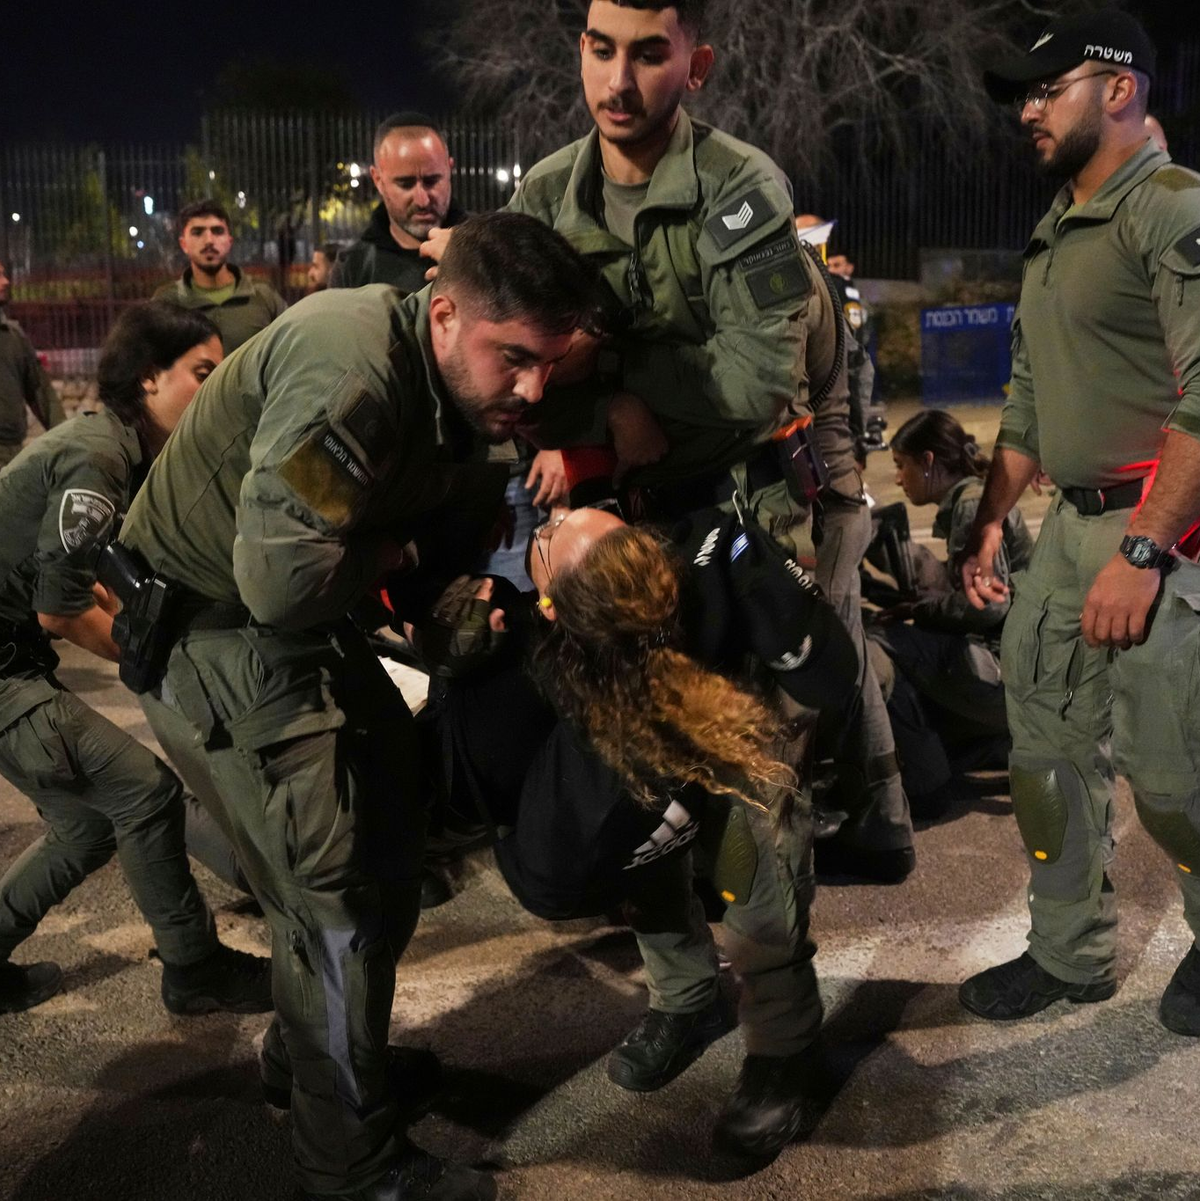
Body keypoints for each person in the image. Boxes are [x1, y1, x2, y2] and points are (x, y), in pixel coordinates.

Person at [120, 212, 601, 1201]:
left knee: (387, 838)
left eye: (549, 364)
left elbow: (426, 557)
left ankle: (320, 1065)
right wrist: (403, 558)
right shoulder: (352, 373)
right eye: (512, 357)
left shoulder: (467, 399)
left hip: (296, 630)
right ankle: (350, 1162)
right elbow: (283, 583)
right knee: (332, 896)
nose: (533, 388)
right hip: (226, 636)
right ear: (442, 315)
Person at [423, 0, 915, 884]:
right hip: (631, 507)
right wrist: (613, 404)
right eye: (602, 51)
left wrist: (613, 375)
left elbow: (759, 381)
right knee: (642, 723)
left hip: (748, 504)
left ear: (697, 65)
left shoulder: (741, 187)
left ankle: (780, 982)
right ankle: (704, 941)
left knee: (758, 750)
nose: (619, 82)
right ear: (579, 52)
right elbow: (531, 393)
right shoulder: (546, 195)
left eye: (650, 55)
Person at [423, 504, 857, 1160]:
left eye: (565, 525)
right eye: (550, 533)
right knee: (646, 837)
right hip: (650, 712)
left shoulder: (707, 558)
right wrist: (456, 637)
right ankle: (687, 999)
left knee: (756, 869)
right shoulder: (578, 640)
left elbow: (830, 676)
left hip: (746, 713)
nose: (551, 517)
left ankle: (785, 1055)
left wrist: (771, 590)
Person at [960, 10, 1200, 1036]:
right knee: (1045, 760)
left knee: (1176, 777)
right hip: (1065, 533)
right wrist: (986, 523)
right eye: (1019, 92)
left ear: (1118, 87)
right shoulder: (1061, 224)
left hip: (1165, 533)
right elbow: (1026, 401)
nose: (1026, 109)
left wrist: (1146, 550)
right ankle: (1068, 953)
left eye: (1044, 88)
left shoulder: (1172, 208)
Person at [0, 301, 272, 1017]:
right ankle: (196, 967)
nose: (214, 393)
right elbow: (61, 607)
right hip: (4, 672)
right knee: (144, 791)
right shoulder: (100, 454)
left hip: (12, 660)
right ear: (150, 378)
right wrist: (154, 663)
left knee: (86, 825)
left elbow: (88, 575)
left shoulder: (124, 449)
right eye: (203, 374)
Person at [866, 410, 1032, 818]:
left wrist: (922, 612)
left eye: (901, 466)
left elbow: (988, 606)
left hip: (1004, 675)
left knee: (873, 645)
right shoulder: (975, 495)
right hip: (1026, 668)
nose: (900, 478)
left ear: (928, 461)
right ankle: (988, 747)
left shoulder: (970, 506)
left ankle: (926, 783)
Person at [330, 113, 466, 294]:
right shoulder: (354, 267)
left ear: (449, 170)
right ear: (378, 180)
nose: (422, 200)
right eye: (406, 184)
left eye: (432, 181)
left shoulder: (488, 246)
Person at [154, 199, 286, 353]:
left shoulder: (263, 294)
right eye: (197, 232)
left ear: (229, 241)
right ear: (184, 244)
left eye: (217, 231)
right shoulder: (167, 302)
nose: (209, 240)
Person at [0, 259, 64, 469]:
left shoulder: (13, 337)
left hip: (10, 453)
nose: (6, 281)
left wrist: (65, 440)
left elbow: (40, 392)